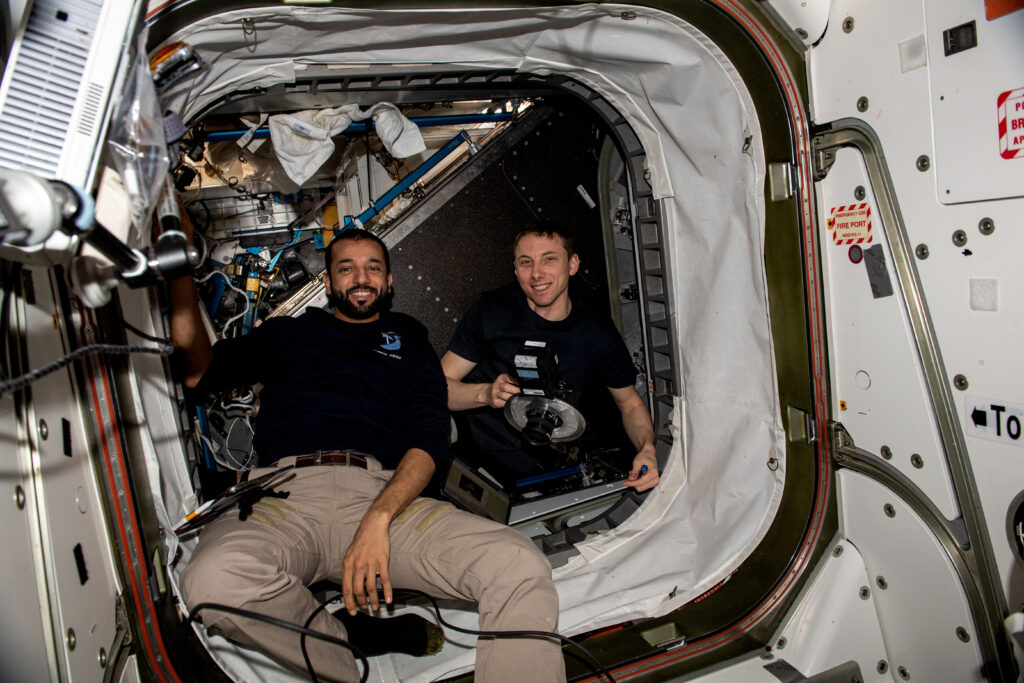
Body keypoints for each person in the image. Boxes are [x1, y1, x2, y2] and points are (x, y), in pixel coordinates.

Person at [171, 219, 566, 683]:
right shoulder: (286, 335)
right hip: (284, 499)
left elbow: (429, 436)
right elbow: (199, 372)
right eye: (347, 269)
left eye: (373, 268)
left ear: (389, 280)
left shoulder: (410, 341)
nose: (361, 278)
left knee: (517, 562)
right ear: (327, 281)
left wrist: (379, 518)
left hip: (384, 497)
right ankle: (341, 651)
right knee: (210, 582)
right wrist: (179, 270)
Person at [441, 222, 660, 492]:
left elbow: (630, 405)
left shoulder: (597, 332)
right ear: (515, 269)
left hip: (541, 470)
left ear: (572, 264)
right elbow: (438, 388)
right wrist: (486, 393)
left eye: (549, 259)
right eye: (525, 262)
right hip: (474, 457)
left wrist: (648, 449)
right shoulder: (492, 310)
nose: (536, 274)